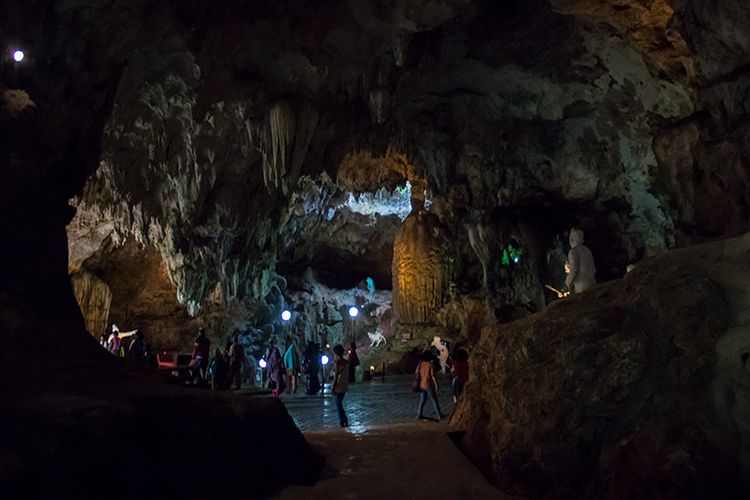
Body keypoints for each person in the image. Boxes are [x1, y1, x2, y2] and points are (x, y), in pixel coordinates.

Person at [416, 351, 445, 421]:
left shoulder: (420, 364)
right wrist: (436, 384)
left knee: (422, 400)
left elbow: (416, 372)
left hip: (422, 384)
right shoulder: (430, 365)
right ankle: (439, 414)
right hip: (429, 384)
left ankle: (419, 414)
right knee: (434, 400)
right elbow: (433, 376)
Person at [565, 228, 596, 294]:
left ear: (572, 239)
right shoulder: (587, 250)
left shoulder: (573, 252)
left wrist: (568, 281)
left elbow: (575, 269)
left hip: (581, 286)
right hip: (592, 283)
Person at [332, 344, 349, 427]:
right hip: (344, 385)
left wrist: (333, 387)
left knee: (338, 404)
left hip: (338, 386)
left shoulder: (337, 363)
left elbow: (335, 376)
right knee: (339, 403)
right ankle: (344, 419)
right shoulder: (345, 362)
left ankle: (342, 421)